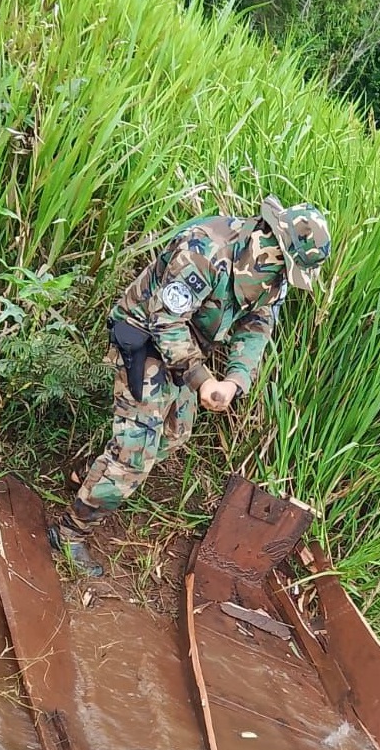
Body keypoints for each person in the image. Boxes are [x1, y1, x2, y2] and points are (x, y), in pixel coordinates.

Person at [48, 196, 331, 574]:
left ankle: (92, 476)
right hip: (144, 334)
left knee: (174, 433)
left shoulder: (270, 277)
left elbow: (257, 327)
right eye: (288, 270)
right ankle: (69, 533)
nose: (283, 282)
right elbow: (165, 321)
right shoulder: (203, 249)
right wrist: (201, 380)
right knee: (135, 454)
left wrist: (234, 380)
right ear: (271, 246)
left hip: (189, 349)